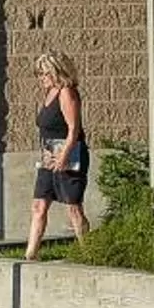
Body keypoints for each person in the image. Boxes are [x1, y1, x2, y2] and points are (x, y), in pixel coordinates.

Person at [24, 49, 92, 260]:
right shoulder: (49, 93)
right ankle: (30, 255)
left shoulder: (66, 93)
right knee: (39, 205)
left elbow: (74, 129)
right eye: (40, 74)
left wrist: (64, 156)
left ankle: (88, 252)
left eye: (45, 73)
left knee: (73, 208)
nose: (42, 78)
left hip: (68, 156)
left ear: (57, 72)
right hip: (48, 156)